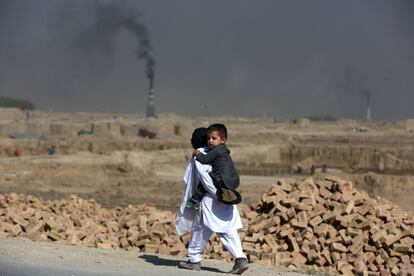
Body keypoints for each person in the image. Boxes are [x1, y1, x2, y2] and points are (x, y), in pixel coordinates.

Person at [176, 126, 248, 274]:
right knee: (227, 230)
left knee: (201, 229)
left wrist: (217, 194)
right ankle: (240, 259)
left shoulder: (203, 155)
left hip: (213, 199)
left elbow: (206, 179)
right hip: (225, 198)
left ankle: (194, 260)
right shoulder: (218, 152)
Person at [186, 123, 241, 209]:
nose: (210, 141)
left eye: (213, 138)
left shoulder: (216, 151)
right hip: (231, 179)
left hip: (221, 178)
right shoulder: (224, 150)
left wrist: (197, 153)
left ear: (223, 140)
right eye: (208, 138)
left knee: (204, 181)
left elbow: (204, 160)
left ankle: (195, 200)